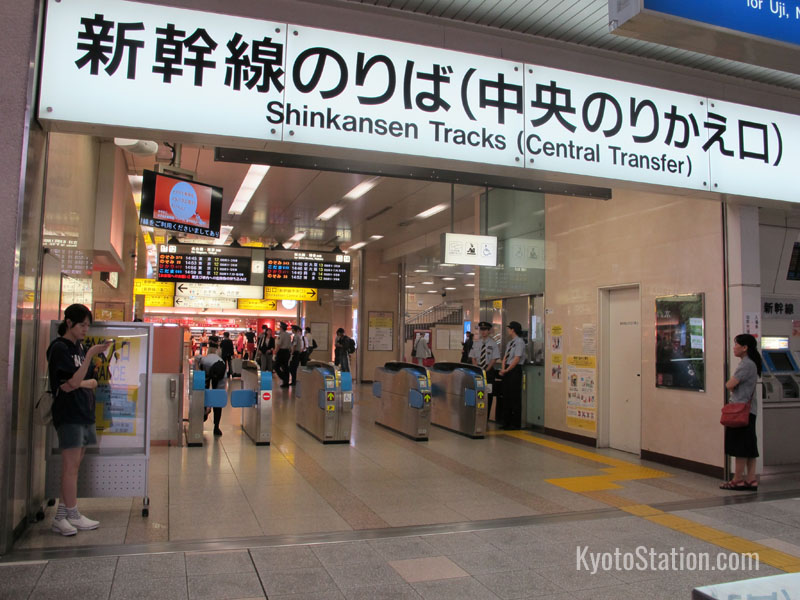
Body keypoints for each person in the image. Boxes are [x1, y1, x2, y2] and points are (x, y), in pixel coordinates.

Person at [47, 303, 112, 536]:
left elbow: (90, 381)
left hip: (84, 411)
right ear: (69, 323)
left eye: (88, 325)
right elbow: (68, 384)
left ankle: (62, 516)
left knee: (75, 465)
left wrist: (81, 381)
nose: (85, 329)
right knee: (70, 467)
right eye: (82, 324)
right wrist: (90, 358)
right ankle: (72, 513)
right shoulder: (59, 349)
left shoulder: (79, 348)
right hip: (69, 414)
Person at [720, 333, 762, 491]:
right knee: (750, 446)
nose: (734, 347)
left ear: (745, 348)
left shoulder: (746, 364)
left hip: (740, 411)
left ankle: (737, 479)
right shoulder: (752, 363)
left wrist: (729, 383)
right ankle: (751, 479)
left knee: (740, 447)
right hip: (749, 410)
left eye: (736, 344)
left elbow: (730, 384)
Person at [470, 321, 501, 421]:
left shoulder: (493, 343)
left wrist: (487, 369)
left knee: (488, 395)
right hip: (478, 371)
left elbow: (494, 358)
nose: (483, 332)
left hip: (489, 372)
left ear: (489, 331)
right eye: (481, 330)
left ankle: (486, 417)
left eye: (485, 330)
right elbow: (473, 357)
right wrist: (477, 368)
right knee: (478, 394)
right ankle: (477, 416)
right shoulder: (476, 343)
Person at [498, 321, 526, 429]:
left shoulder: (519, 342)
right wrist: (503, 368)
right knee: (506, 396)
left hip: (514, 370)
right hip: (507, 370)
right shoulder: (510, 343)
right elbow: (505, 357)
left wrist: (507, 370)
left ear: (513, 329)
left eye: (509, 328)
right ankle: (506, 421)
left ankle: (515, 423)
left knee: (514, 396)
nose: (508, 330)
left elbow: (517, 358)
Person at [198, 348, 226, 436]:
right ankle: (201, 417)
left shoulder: (223, 372)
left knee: (218, 401)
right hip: (207, 369)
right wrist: (206, 405)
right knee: (202, 393)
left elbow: (218, 397)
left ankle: (216, 426)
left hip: (217, 372)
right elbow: (204, 387)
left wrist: (212, 402)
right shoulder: (204, 362)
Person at [275, 322, 292, 387]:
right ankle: (286, 382)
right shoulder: (288, 335)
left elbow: (279, 344)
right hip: (287, 352)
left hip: (281, 352)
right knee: (285, 367)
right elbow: (290, 345)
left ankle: (284, 378)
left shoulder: (281, 335)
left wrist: (275, 352)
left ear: (281, 328)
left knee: (276, 366)